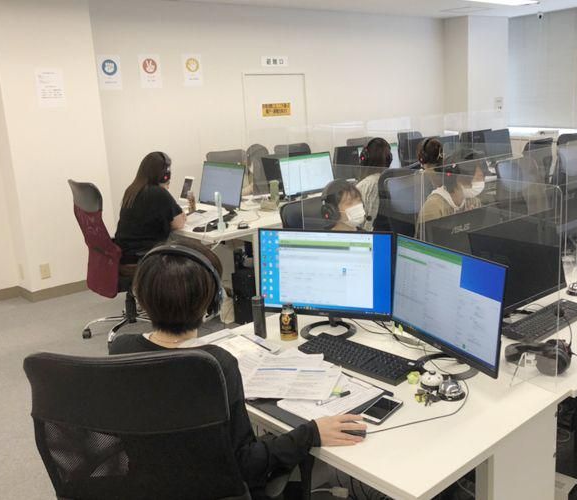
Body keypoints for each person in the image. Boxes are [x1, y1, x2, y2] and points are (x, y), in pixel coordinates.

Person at [109, 241, 366, 497]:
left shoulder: (121, 348)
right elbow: (247, 464)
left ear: (141, 296)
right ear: (212, 303)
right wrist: (311, 433)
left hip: (147, 486)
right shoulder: (214, 364)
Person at [115, 152, 186, 264]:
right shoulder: (158, 193)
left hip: (125, 256)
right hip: (145, 258)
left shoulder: (131, 190)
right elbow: (178, 224)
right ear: (165, 175)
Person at [418, 159, 486, 224]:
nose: (482, 182)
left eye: (483, 177)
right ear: (459, 178)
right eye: (479, 177)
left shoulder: (474, 202)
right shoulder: (433, 208)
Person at [354, 138, 392, 231]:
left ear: (363, 159)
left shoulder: (364, 186)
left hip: (369, 236)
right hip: (390, 233)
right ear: (389, 160)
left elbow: (359, 224)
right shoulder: (391, 180)